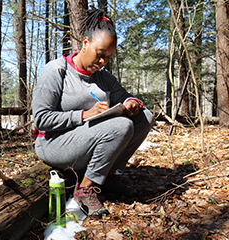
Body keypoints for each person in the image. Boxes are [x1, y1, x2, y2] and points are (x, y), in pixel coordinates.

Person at [32, 8, 154, 218]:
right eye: (100, 54)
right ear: (85, 43)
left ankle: (108, 175)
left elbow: (124, 96)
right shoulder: (57, 70)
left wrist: (131, 102)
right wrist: (84, 115)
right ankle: (85, 190)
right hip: (53, 143)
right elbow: (42, 119)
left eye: (108, 57)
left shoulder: (102, 76)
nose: (103, 62)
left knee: (145, 117)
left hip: (84, 140)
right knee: (121, 126)